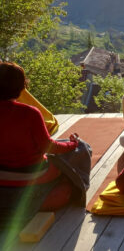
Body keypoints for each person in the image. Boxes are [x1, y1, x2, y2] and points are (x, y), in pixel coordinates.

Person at [0, 62, 79, 211]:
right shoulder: (30, 113)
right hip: (31, 173)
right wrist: (72, 144)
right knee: (78, 152)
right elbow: (49, 147)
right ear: (21, 87)